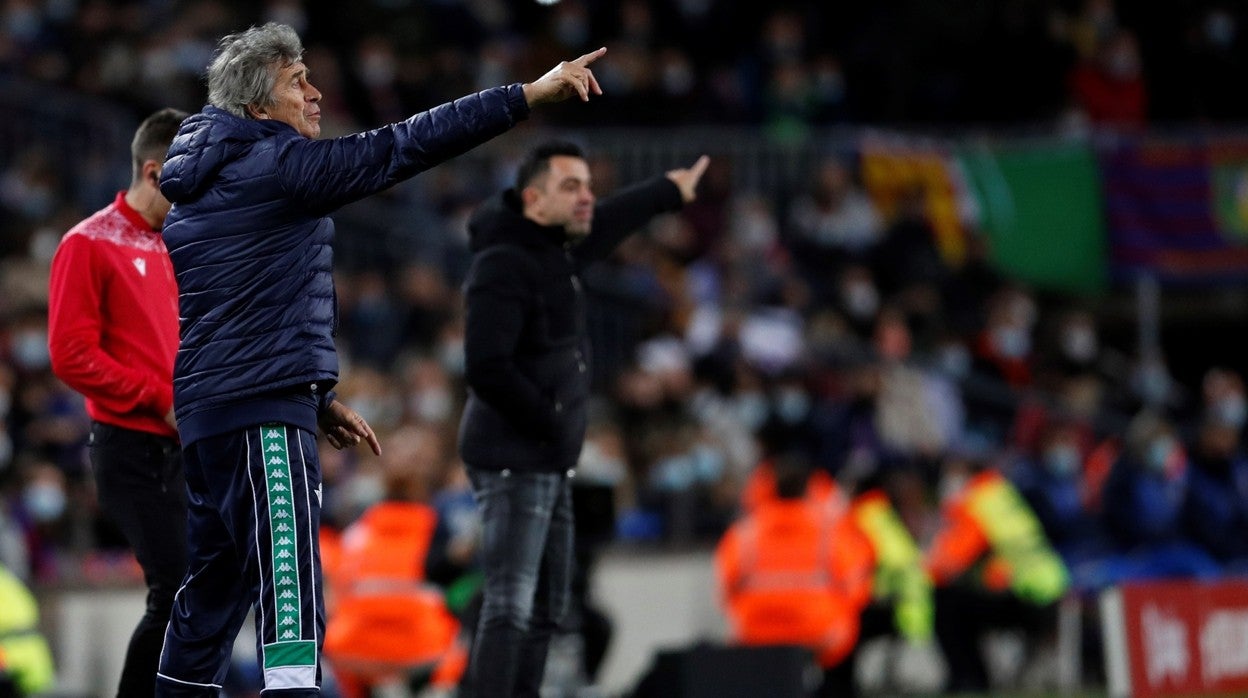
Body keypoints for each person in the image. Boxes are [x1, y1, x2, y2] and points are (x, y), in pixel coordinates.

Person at [152, 22, 607, 697]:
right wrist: (526, 96)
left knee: (215, 588)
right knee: (290, 576)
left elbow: (241, 310)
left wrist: (316, 397)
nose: (315, 92)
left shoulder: (202, 185)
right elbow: (403, 145)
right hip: (260, 414)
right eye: (296, 82)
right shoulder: (277, 166)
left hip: (214, 412)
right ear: (256, 107)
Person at [457, 140, 708, 697]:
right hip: (511, 457)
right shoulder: (503, 264)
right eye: (571, 186)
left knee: (546, 607)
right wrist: (550, 418)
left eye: (588, 186)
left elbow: (611, 220)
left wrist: (666, 191)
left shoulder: (552, 250)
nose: (587, 198)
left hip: (547, 457)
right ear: (533, 199)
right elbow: (486, 367)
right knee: (509, 604)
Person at [46, 107, 188, 698]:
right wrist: (160, 399)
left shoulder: (186, 246)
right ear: (154, 173)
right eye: (191, 180)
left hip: (187, 446)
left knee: (202, 590)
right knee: (177, 588)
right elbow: (70, 354)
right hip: (133, 449)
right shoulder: (89, 242)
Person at [714, 455, 872, 697]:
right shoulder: (830, 531)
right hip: (819, 630)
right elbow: (857, 585)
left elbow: (725, 586)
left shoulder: (744, 533)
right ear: (809, 488)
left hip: (756, 629)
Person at [925, 449, 1069, 692]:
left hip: (1027, 595)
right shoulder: (1001, 493)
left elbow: (950, 562)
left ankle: (969, 680)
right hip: (1051, 588)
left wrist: (925, 561)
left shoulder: (976, 501)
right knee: (964, 600)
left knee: (945, 602)